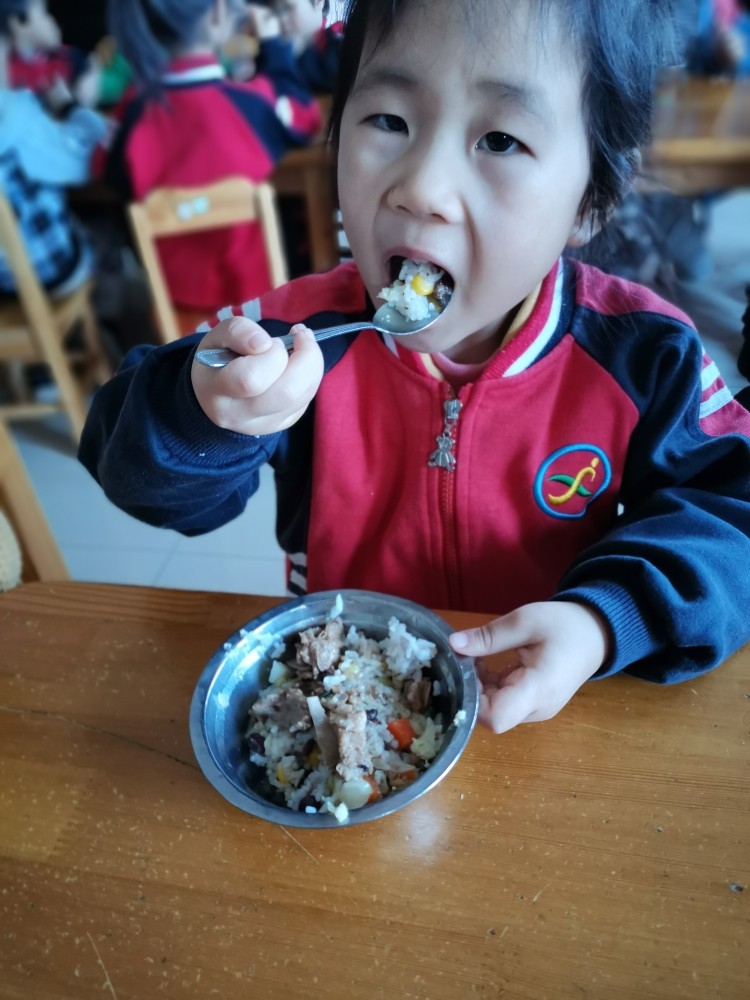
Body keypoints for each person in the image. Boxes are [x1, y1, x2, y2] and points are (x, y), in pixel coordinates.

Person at [79, 0, 750, 737]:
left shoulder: (645, 353)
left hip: (549, 716)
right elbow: (126, 463)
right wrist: (202, 414)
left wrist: (605, 619)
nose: (422, 188)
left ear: (593, 200)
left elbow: (735, 517)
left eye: (500, 139)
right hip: (342, 717)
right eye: (389, 120)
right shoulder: (294, 334)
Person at [102, 0, 322, 313]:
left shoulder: (131, 112)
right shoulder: (249, 103)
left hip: (178, 307)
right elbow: (305, 115)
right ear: (218, 13)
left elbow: (105, 167)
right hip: (258, 306)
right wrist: (273, 46)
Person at [0, 3, 109, 295]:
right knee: (108, 225)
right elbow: (94, 158)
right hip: (46, 274)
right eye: (43, 12)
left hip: (3, 281)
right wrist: (70, 107)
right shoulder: (16, 111)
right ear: (17, 25)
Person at [274, 0, 342, 91]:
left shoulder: (342, 44)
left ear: (318, 2)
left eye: (288, 8)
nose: (281, 21)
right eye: (276, 13)